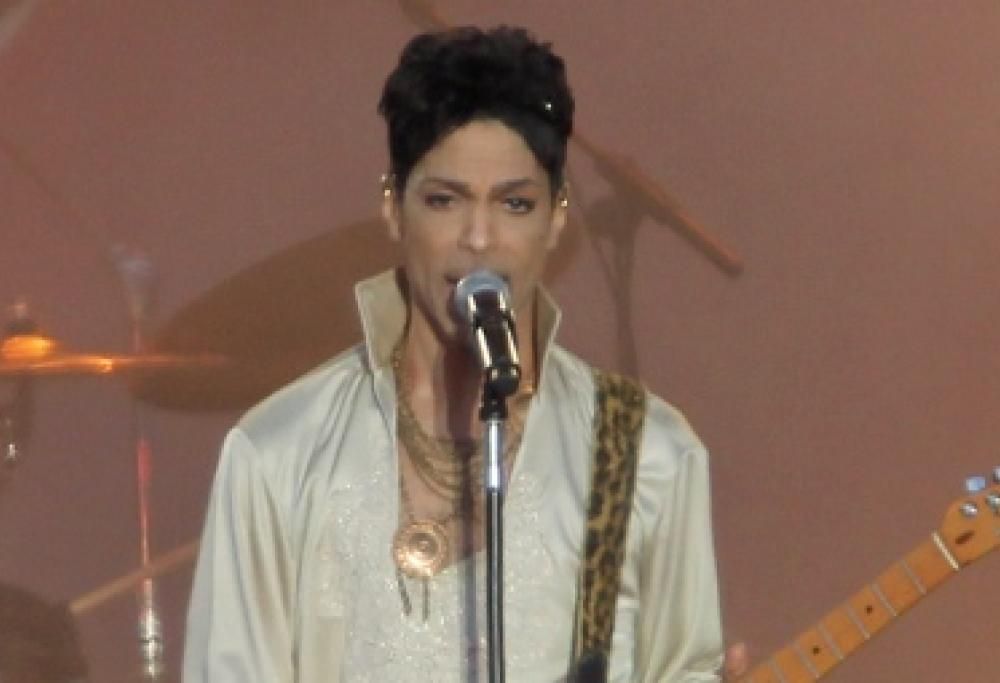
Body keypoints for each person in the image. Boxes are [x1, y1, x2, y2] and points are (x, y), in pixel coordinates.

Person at [183, 25, 730, 682]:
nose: (479, 237)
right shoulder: (278, 454)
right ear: (394, 207)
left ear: (557, 216)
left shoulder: (645, 455)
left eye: (515, 204)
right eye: (445, 201)